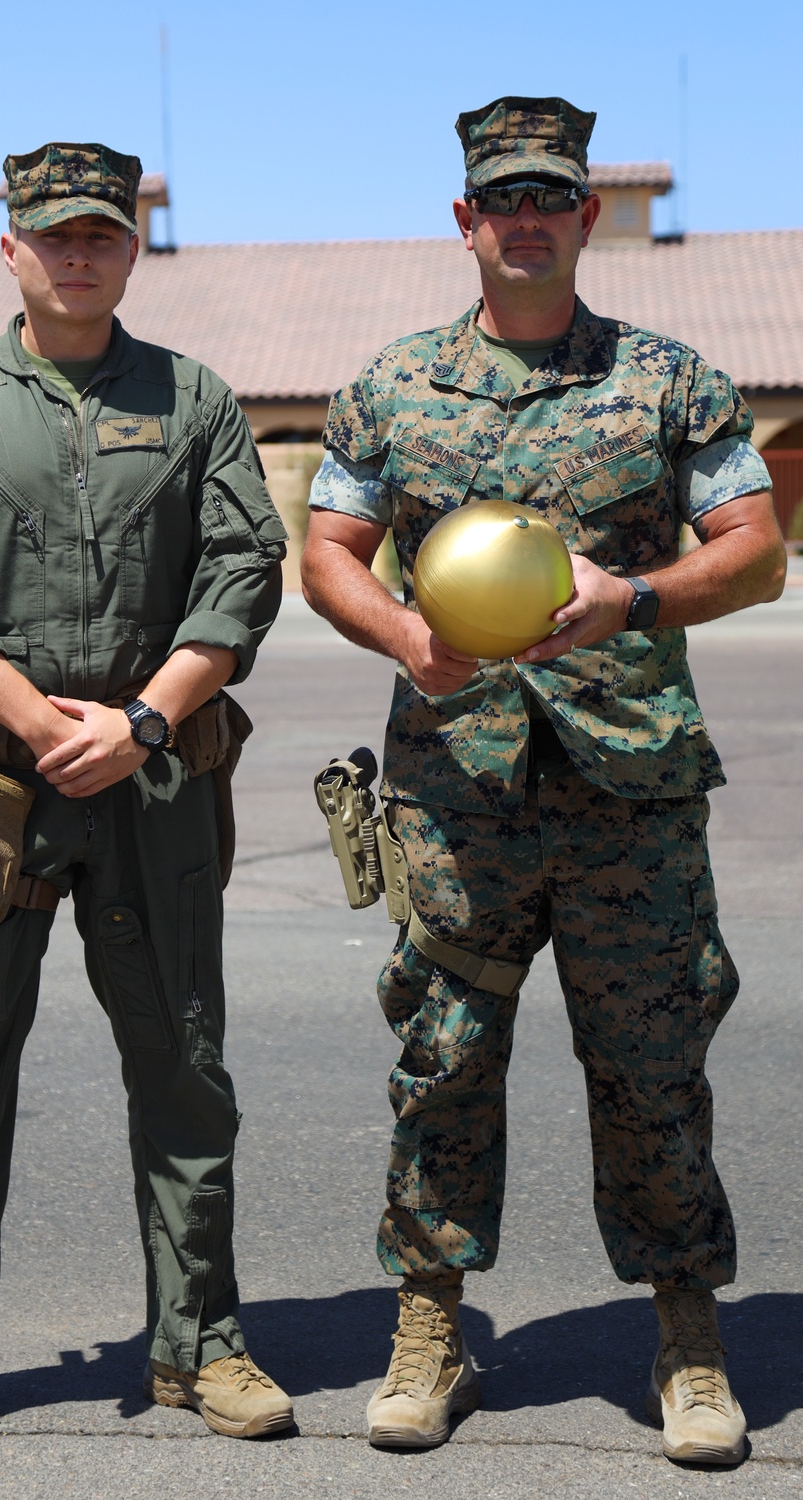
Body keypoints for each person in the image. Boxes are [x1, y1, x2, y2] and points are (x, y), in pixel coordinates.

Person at [301, 97, 786, 1465]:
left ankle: (689, 1337)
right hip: (455, 784)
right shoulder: (393, 384)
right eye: (501, 199)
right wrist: (407, 635)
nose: (526, 218)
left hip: (627, 780)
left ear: (585, 216)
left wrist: (632, 599)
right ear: (466, 220)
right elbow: (327, 551)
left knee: (653, 1063)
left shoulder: (667, 377)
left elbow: (754, 550)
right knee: (442, 1061)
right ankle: (430, 1328)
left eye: (550, 198)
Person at [0, 142, 293, 1462]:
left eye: (105, 232)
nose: (81, 252)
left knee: (185, 1059)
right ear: (11, 246)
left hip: (155, 779)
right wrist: (40, 724)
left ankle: (202, 1341)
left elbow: (245, 570)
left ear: (133, 246)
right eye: (56, 233)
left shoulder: (192, 399)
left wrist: (143, 717)